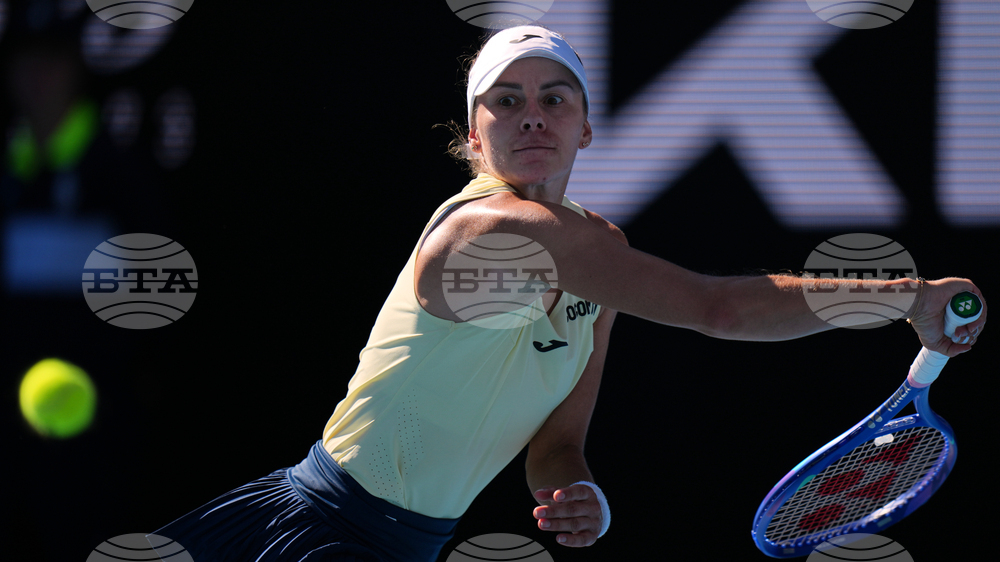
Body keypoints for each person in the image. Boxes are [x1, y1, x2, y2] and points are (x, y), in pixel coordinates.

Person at [151, 25, 986, 562]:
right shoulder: (489, 233)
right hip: (315, 532)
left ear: (586, 127)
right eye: (506, 102)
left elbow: (556, 442)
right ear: (473, 135)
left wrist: (581, 495)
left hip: (403, 548)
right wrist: (905, 295)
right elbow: (718, 310)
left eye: (556, 99)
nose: (533, 116)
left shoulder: (598, 252)